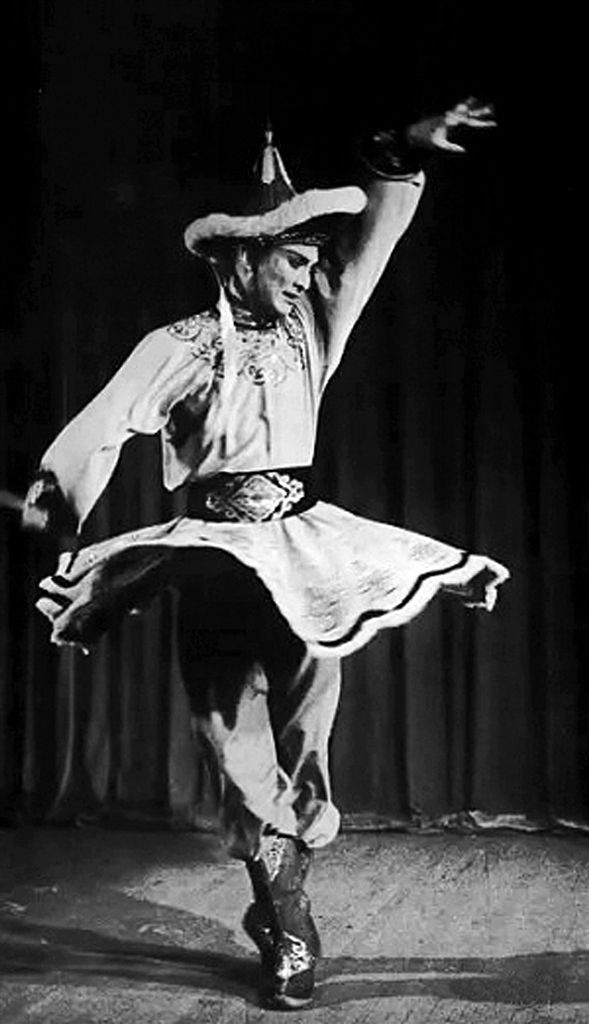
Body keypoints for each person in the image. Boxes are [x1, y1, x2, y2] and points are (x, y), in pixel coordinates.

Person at [22, 98, 509, 1010]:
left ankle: (282, 903)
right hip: (213, 563)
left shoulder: (312, 329)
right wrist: (54, 521)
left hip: (305, 566)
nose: (306, 275)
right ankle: (287, 922)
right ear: (241, 257)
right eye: (291, 259)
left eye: (312, 262)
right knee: (237, 755)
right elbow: (97, 432)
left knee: (306, 743)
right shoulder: (176, 346)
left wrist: (400, 153)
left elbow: (370, 247)